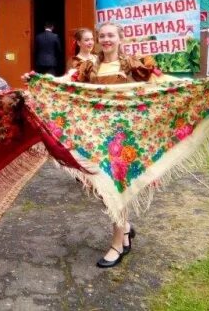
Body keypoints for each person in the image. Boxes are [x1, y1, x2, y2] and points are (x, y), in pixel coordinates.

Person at [69, 22, 154, 267]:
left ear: (120, 38)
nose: (106, 39)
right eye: (102, 35)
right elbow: (70, 82)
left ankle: (117, 243)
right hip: (96, 134)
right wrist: (40, 80)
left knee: (116, 188)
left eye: (111, 35)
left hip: (123, 135)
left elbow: (158, 81)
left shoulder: (133, 65)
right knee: (96, 184)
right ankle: (125, 228)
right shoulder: (89, 66)